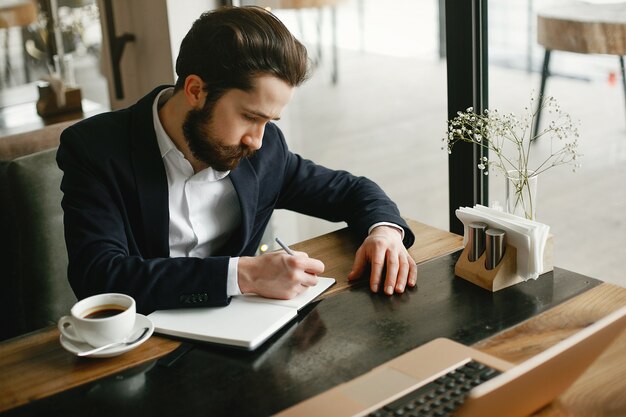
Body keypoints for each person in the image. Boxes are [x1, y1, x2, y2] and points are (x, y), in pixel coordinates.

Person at [56, 6, 417, 314]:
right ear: (196, 90)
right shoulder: (95, 149)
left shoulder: (264, 149)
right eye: (249, 116)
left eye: (268, 121)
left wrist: (384, 231)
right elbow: (99, 277)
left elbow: (349, 190)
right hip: (143, 347)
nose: (257, 140)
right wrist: (246, 274)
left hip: (245, 341)